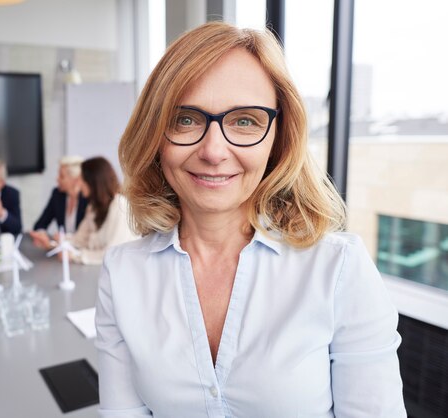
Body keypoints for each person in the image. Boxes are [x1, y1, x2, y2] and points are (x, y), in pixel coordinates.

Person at [95, 22, 406, 417]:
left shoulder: (338, 269)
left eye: (245, 121)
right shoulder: (122, 274)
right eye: (186, 119)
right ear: (156, 134)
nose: (213, 151)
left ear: (279, 138)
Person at [33, 157, 138, 265]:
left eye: (81, 179)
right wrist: (55, 243)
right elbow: (80, 239)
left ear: (93, 182)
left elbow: (112, 253)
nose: (79, 184)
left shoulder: (120, 206)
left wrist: (75, 256)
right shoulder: (93, 208)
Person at [29, 155, 88, 246]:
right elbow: (40, 225)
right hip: (62, 253)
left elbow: (89, 238)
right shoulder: (57, 195)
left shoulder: (88, 198)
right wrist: (42, 234)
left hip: (82, 252)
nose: (57, 179)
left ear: (75, 180)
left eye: (61, 176)